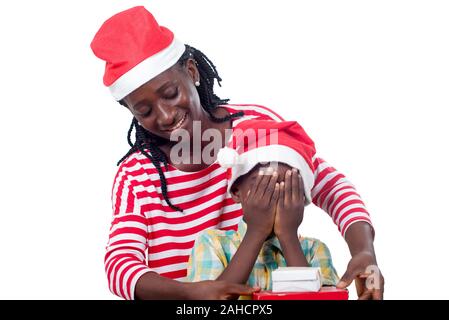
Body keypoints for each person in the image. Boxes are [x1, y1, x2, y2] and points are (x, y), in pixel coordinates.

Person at [90, 6, 384, 300]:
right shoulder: (138, 174)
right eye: (145, 111)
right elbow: (120, 265)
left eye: (170, 94)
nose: (165, 115)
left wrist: (363, 252)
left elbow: (331, 186)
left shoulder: (254, 129)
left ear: (191, 72)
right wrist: (190, 293)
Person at [187, 120, 340, 293]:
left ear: (302, 197)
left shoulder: (315, 250)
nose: (274, 195)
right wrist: (256, 231)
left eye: (286, 186)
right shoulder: (212, 243)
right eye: (263, 185)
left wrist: (288, 235)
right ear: (237, 192)